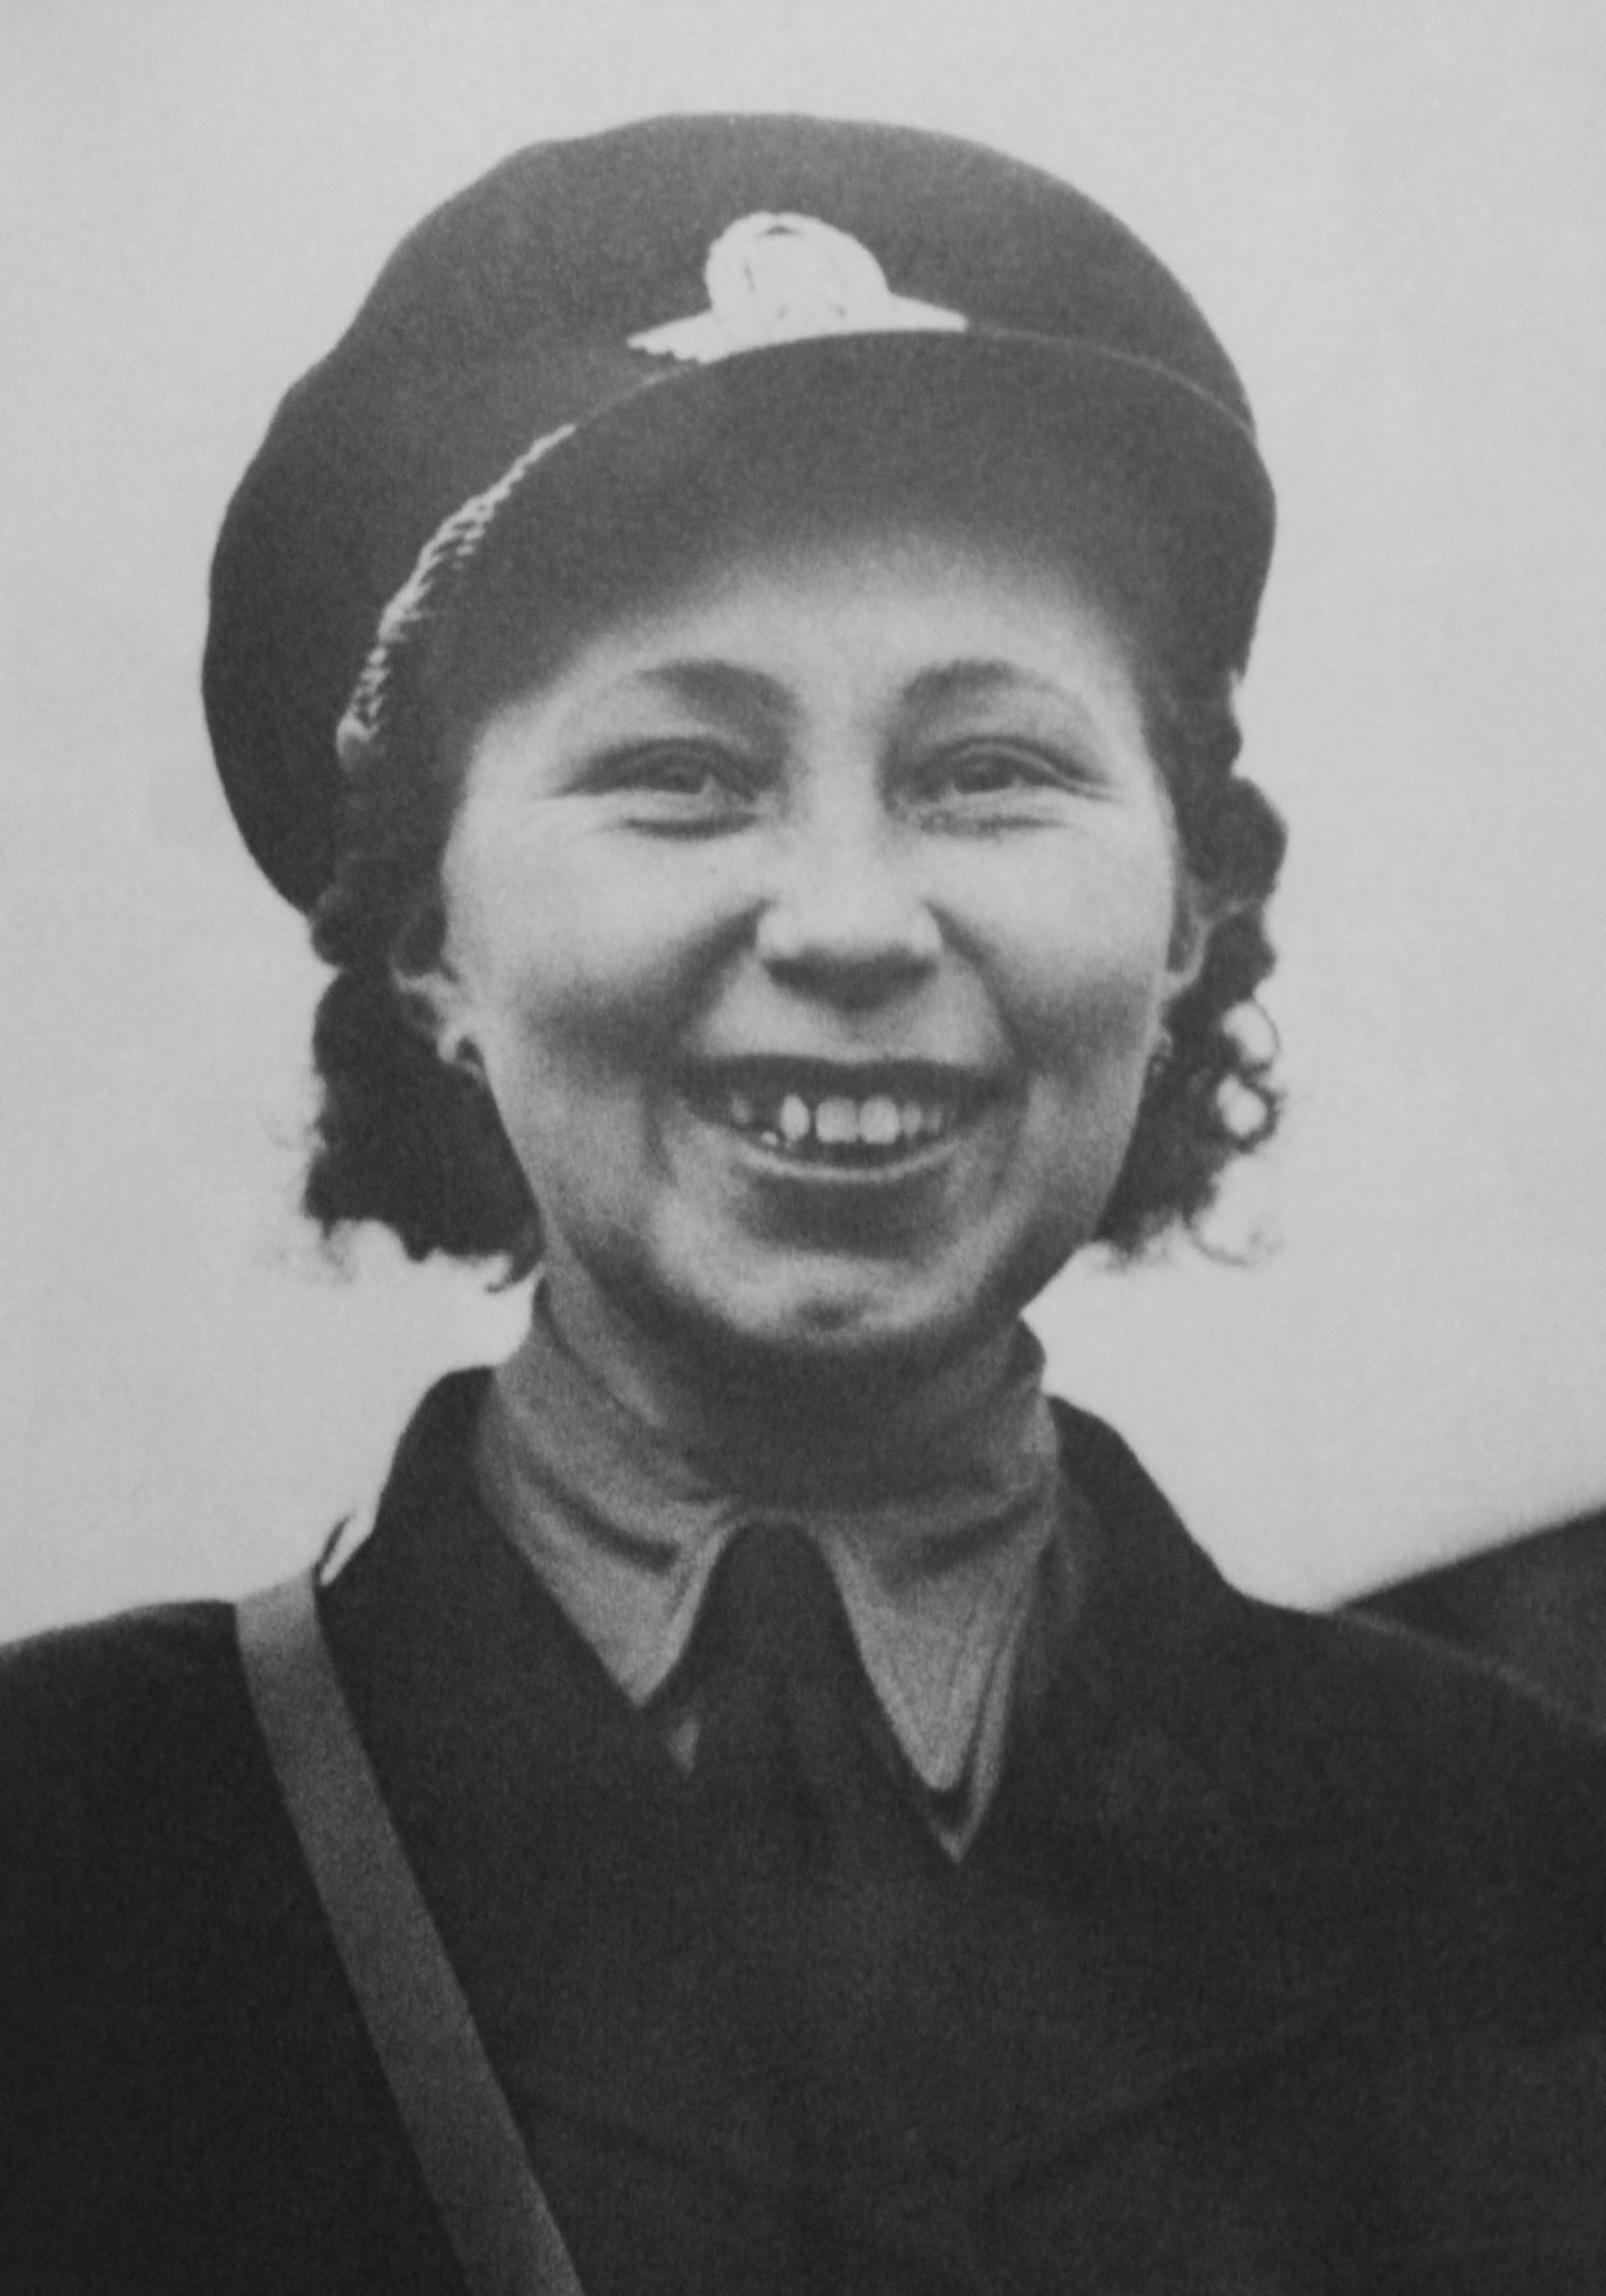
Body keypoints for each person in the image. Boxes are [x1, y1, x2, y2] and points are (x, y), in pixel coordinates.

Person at [3, 113, 1603, 2296]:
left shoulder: (1509, 1855)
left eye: (988, 772)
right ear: (428, 941)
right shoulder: (69, 1855)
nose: (851, 921)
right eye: (682, 774)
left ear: (1185, 918)